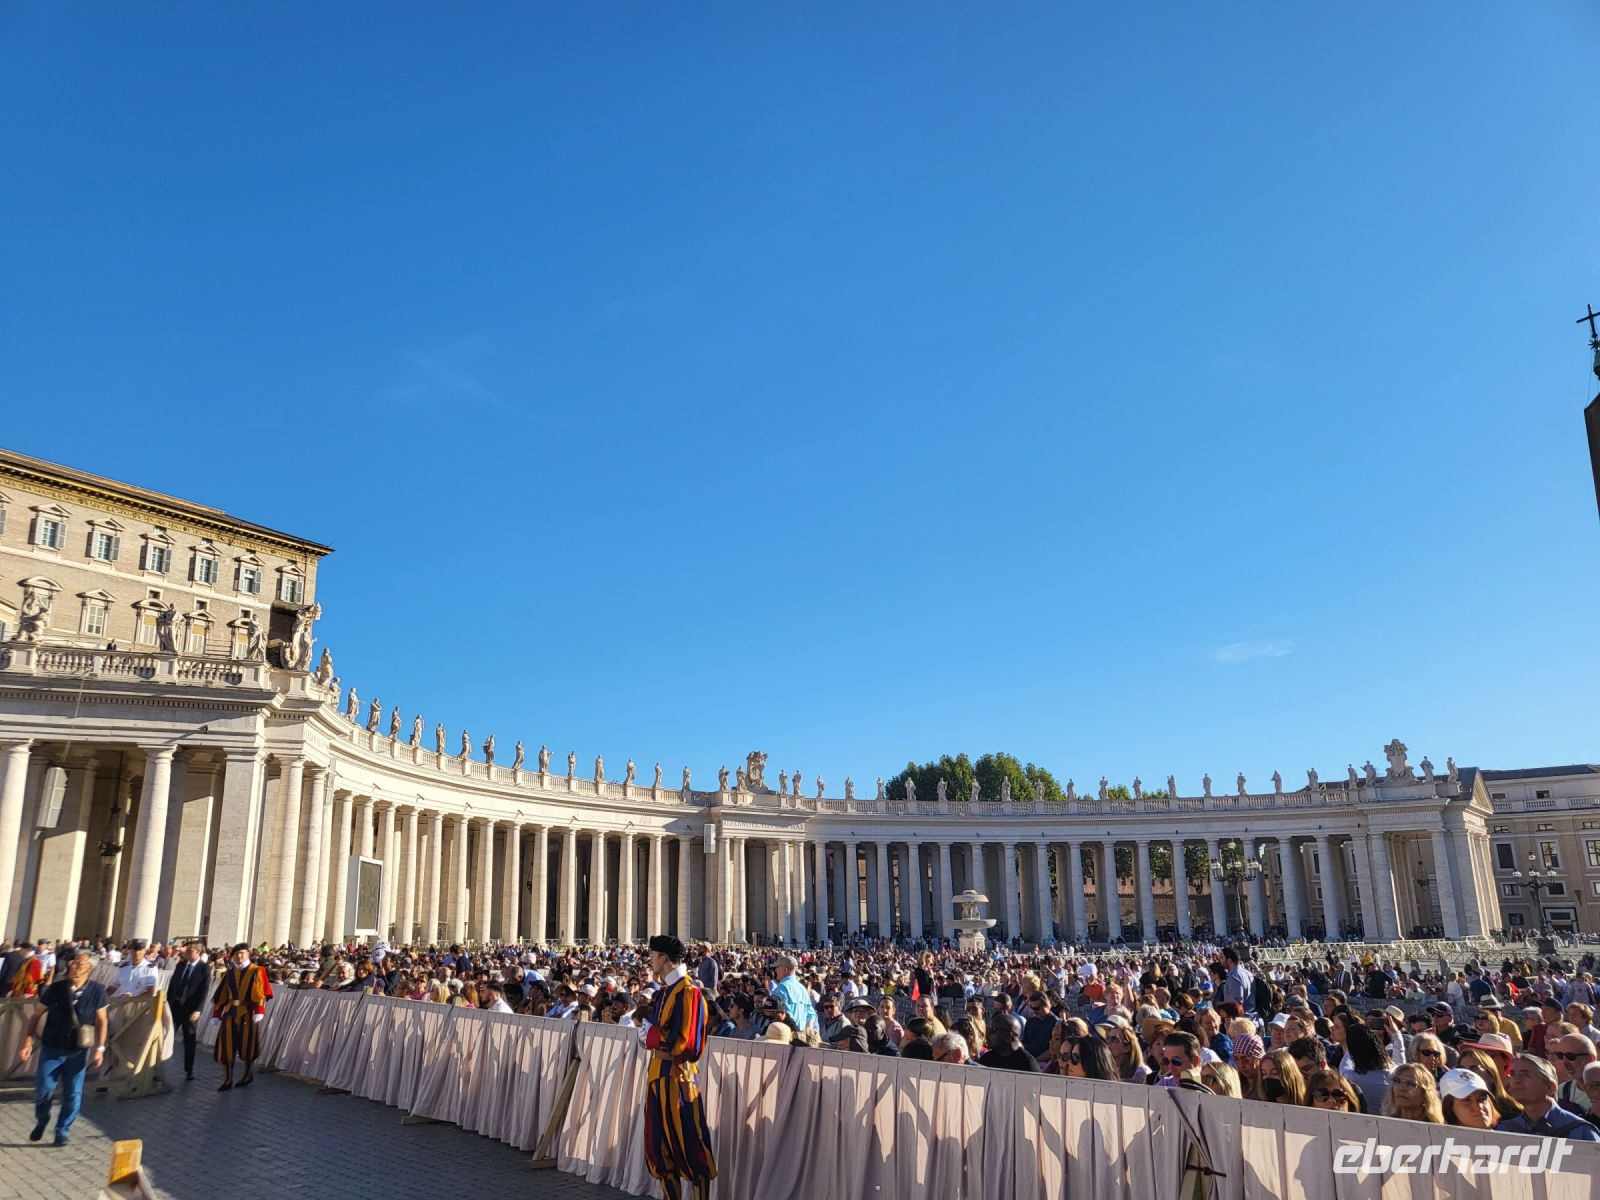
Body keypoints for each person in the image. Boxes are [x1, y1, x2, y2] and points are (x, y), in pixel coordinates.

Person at [639, 934, 717, 1200]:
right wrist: (655, 1037)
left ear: (662, 958)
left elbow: (687, 1044)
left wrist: (654, 1038)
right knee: (659, 1148)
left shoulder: (690, 992)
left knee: (690, 1147)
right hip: (657, 1077)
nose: (650, 961)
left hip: (679, 1081)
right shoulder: (664, 992)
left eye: (652, 956)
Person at [18, 951, 108, 1146]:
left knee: (73, 1094)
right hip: (52, 1048)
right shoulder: (56, 989)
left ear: (89, 969)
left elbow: (102, 1020)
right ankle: (42, 1120)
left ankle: (62, 1130)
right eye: (73, 963)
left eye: (79, 964)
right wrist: (27, 1041)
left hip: (78, 1051)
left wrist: (100, 1049)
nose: (73, 966)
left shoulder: (97, 991)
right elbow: (36, 1015)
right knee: (44, 1089)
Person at [210, 943, 272, 1091]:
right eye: (236, 954)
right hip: (231, 1012)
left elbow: (263, 992)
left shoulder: (257, 971)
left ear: (248, 953)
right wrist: (217, 1014)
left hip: (248, 1012)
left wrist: (259, 1010)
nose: (239, 956)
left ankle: (247, 1074)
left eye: (242, 953)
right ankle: (227, 1078)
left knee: (248, 1045)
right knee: (226, 1045)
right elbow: (221, 995)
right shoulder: (230, 973)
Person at [1498, 1054, 1600, 1142]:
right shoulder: (1504, 1130)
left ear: (1550, 1087)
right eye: (1513, 1074)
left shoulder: (1581, 1131)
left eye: (1526, 1075)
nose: (1516, 1080)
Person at [166, 940, 211, 1082]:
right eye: (187, 949)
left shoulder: (204, 969)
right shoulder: (180, 965)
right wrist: (167, 1003)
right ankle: (159, 1067)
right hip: (174, 1007)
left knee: (189, 1040)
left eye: (190, 950)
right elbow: (172, 986)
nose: (186, 952)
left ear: (198, 952)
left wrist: (198, 1010)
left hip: (190, 1010)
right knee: (166, 1036)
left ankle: (189, 1070)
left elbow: (204, 991)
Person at [768, 954, 818, 1035]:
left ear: (785, 970)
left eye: (778, 967)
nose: (775, 970)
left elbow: (780, 1017)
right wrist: (804, 1034)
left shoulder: (780, 989)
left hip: (785, 1036)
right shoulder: (803, 989)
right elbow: (811, 1014)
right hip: (801, 1037)